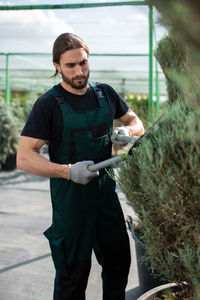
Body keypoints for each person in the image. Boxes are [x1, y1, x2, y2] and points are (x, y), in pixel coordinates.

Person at [17, 33, 144, 300]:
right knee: (72, 278)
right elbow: (24, 157)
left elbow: (136, 122)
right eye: (71, 66)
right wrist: (67, 171)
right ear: (57, 66)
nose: (79, 71)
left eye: (83, 63)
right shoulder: (49, 105)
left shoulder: (105, 93)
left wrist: (127, 133)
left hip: (105, 197)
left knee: (118, 264)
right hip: (71, 204)